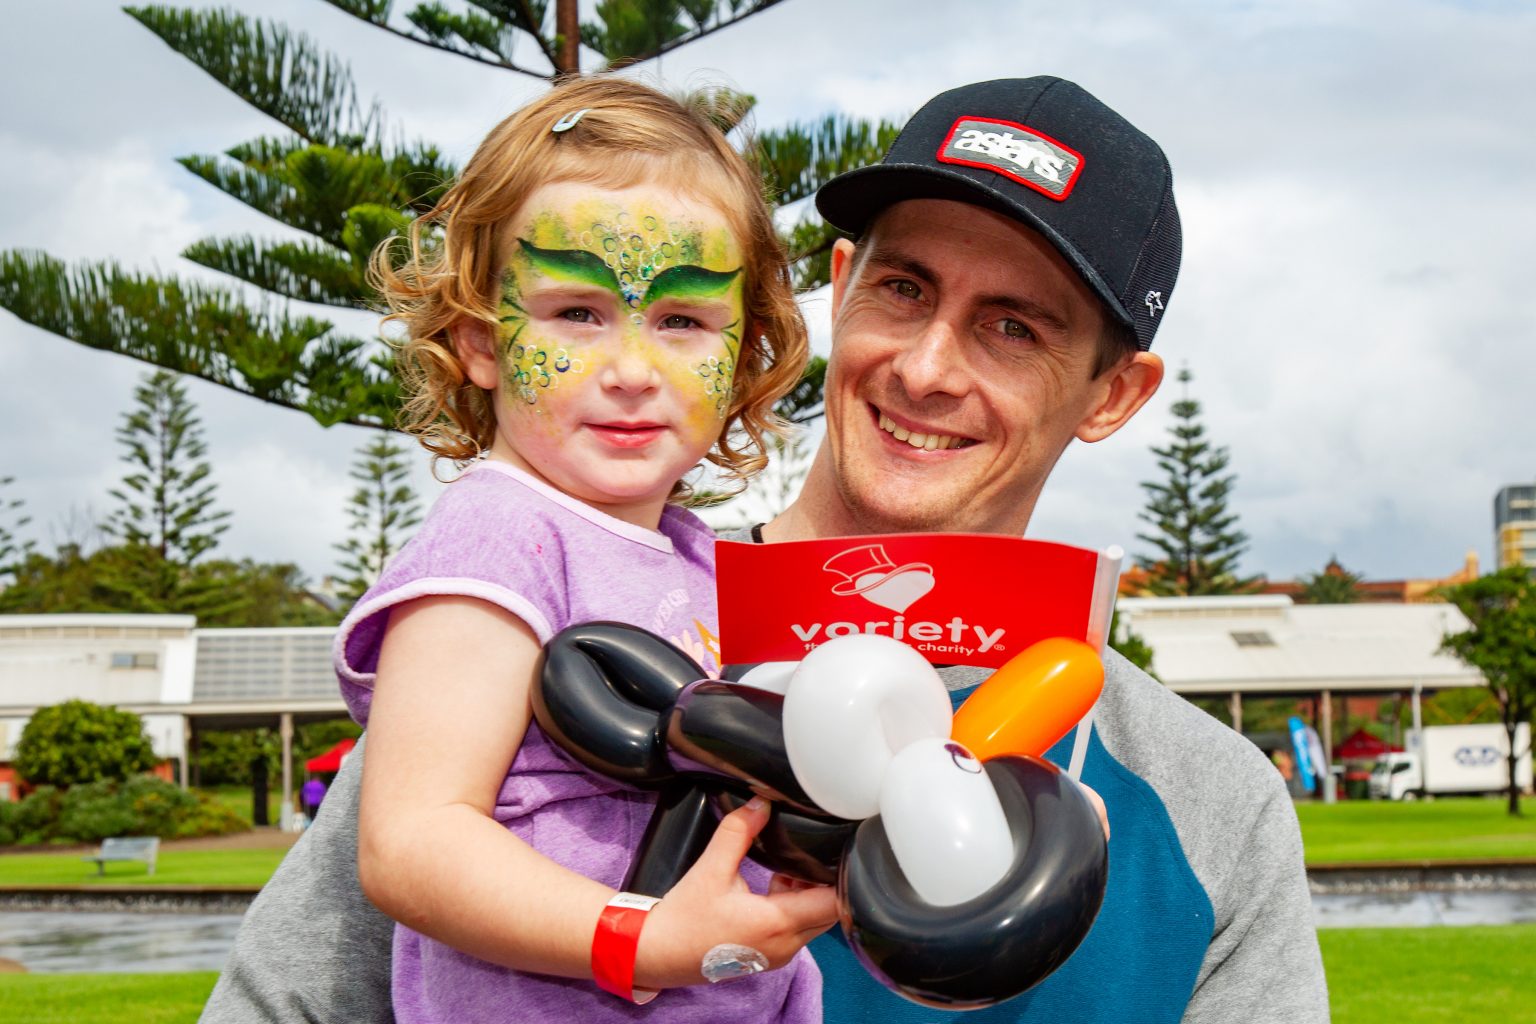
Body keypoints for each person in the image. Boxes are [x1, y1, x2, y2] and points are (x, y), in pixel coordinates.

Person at [201, 76, 1328, 1024]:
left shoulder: (1211, 806)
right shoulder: (560, 639)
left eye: (1013, 327)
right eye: (904, 289)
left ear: (1115, 394)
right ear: (840, 289)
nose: (926, 368)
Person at [282, 77, 832, 1024]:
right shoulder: (499, 540)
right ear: (479, 341)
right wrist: (636, 939)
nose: (632, 370)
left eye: (683, 320)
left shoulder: (696, 561)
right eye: (577, 313)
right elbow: (412, 841)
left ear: (744, 355)